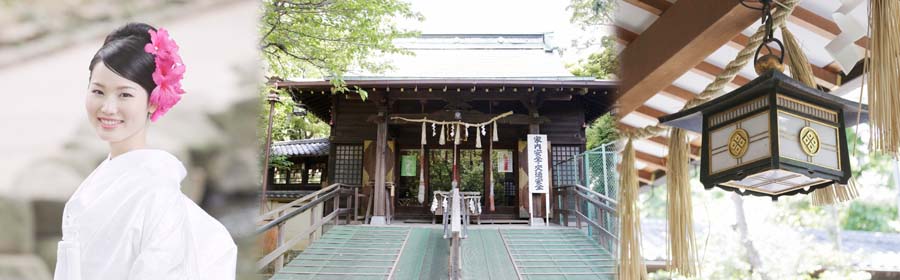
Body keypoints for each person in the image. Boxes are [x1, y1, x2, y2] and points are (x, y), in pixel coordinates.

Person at [54, 22, 237, 280]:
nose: (107, 107)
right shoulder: (106, 178)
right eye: (98, 91)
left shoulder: (157, 191)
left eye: (125, 95)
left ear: (153, 101)